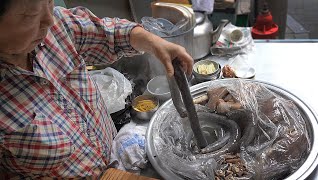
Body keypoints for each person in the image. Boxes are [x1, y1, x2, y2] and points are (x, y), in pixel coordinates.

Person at [0, 0, 193, 178]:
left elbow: (109, 33)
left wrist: (155, 43)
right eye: (31, 15)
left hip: (115, 157)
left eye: (49, 1)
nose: (49, 20)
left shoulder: (57, 26)